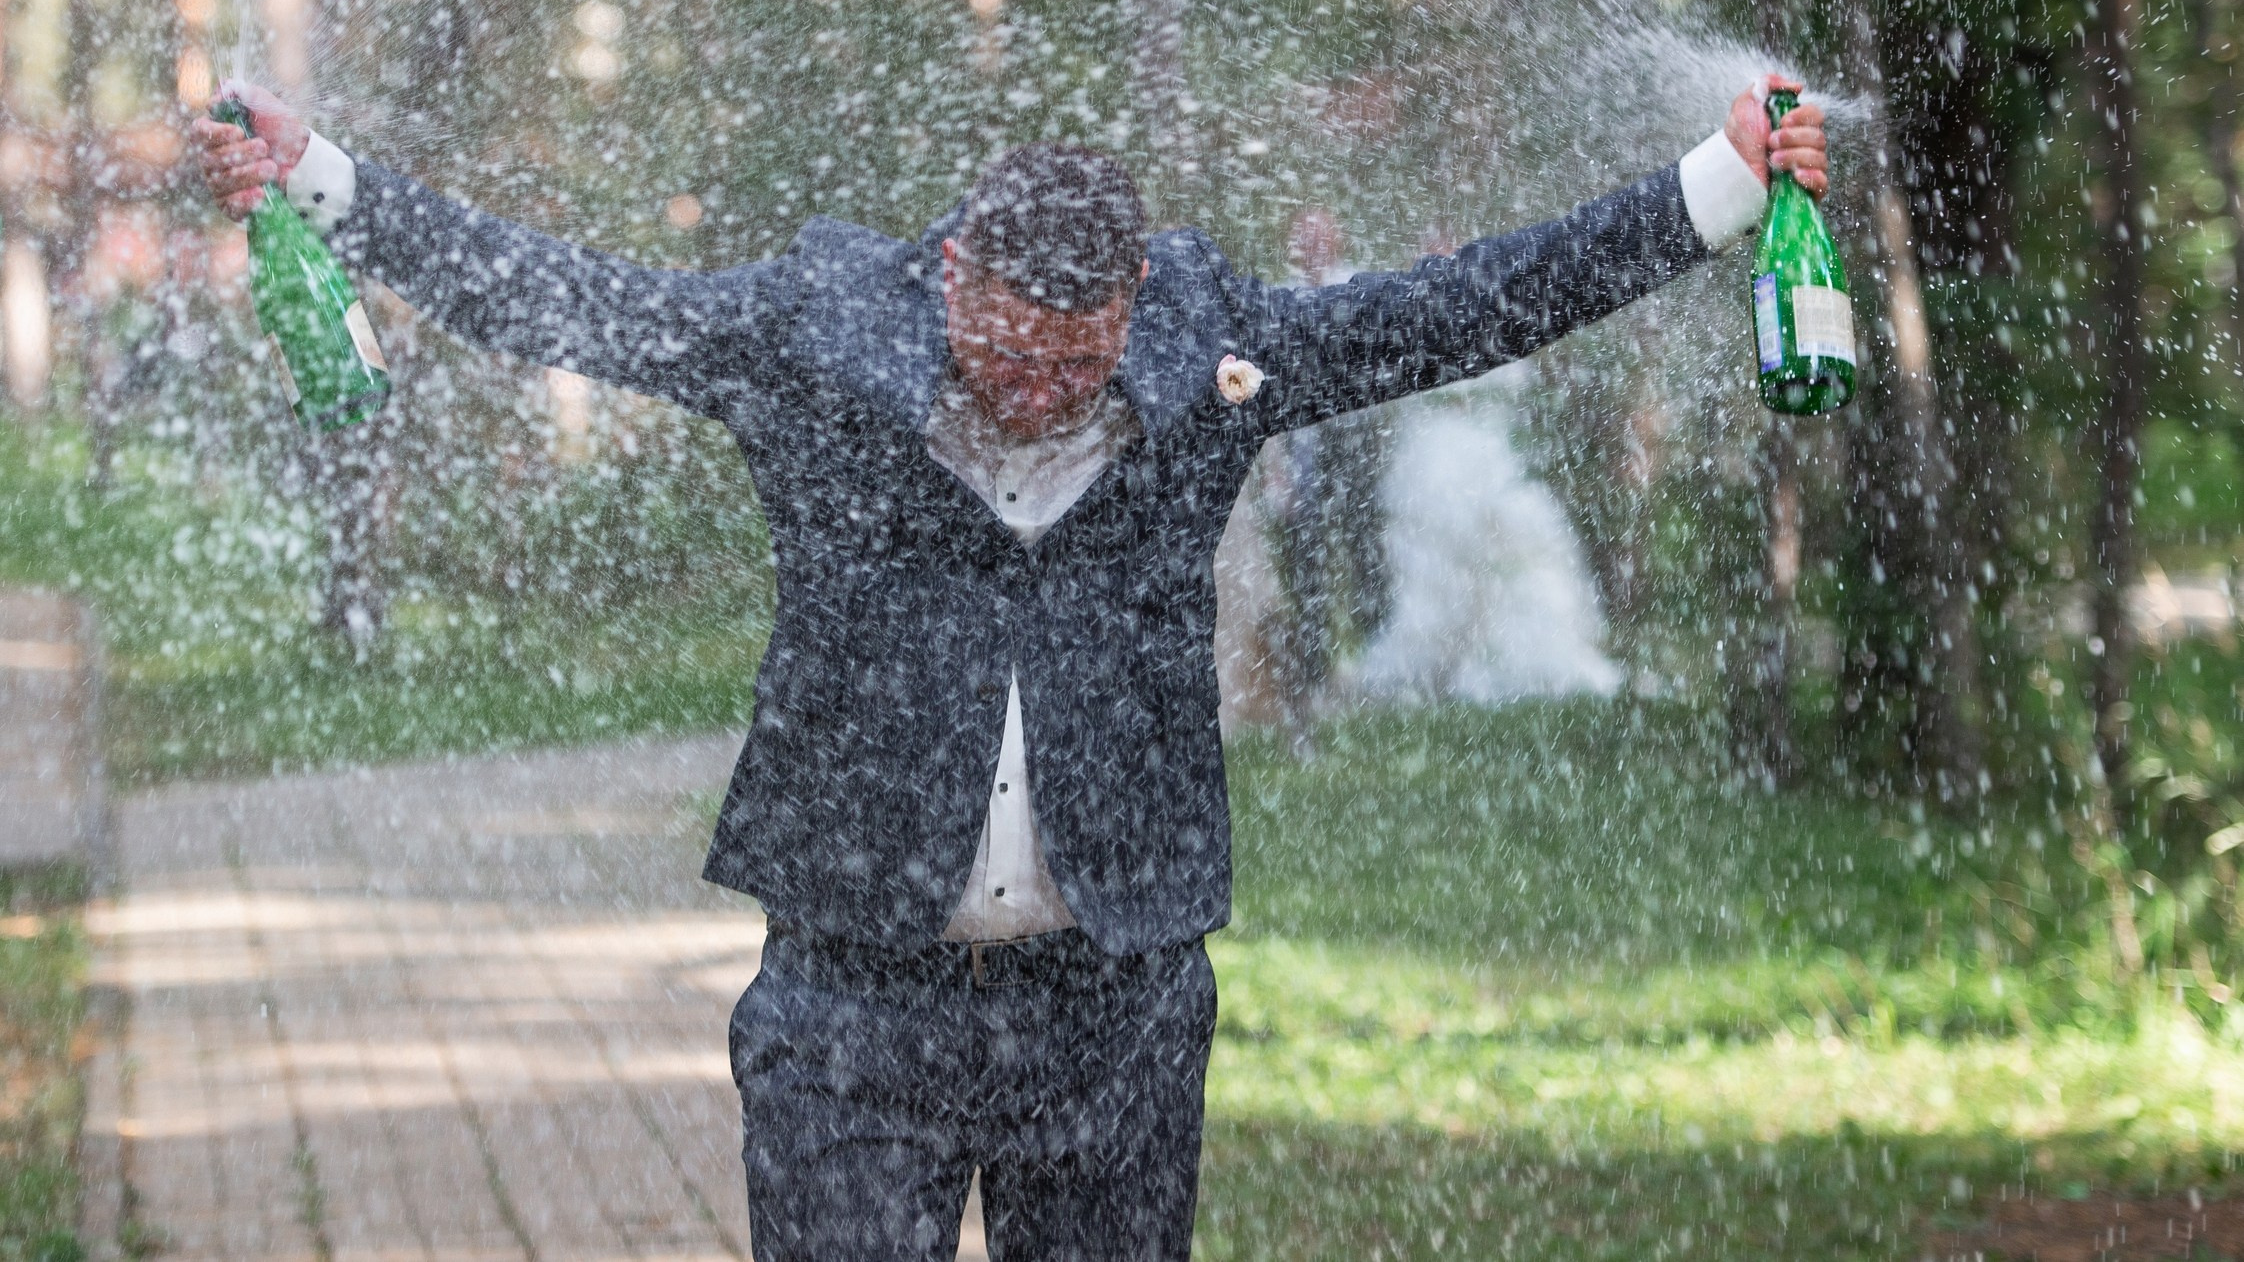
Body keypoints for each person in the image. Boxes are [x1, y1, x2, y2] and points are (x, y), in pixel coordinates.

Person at [193, 81, 1827, 1260]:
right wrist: (334, 182)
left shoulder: (1207, 354)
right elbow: (586, 307)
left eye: (1079, 358)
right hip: (852, 1003)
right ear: (955, 269)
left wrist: (1715, 185)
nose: (1045, 391)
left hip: (1112, 1012)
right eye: (1010, 352)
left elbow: (1457, 310)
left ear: (1129, 305)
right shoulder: (819, 338)